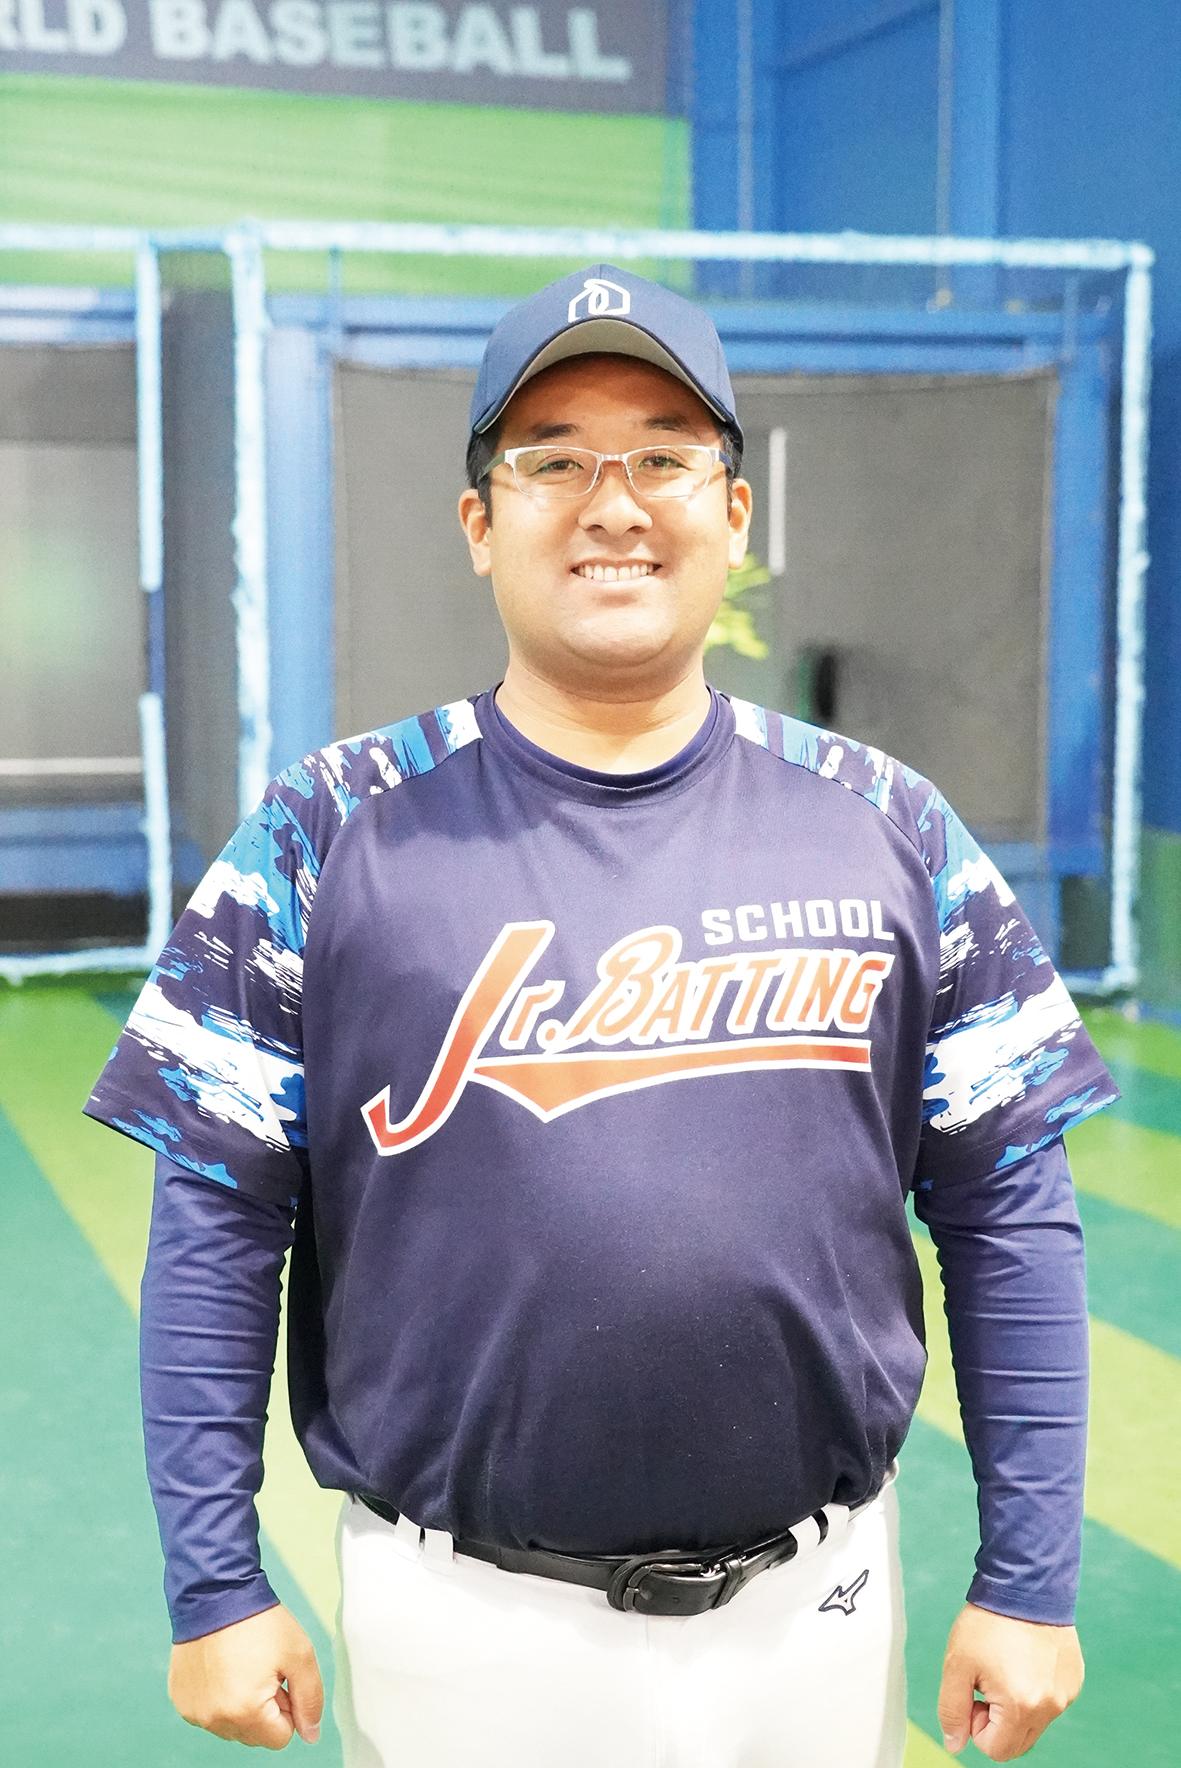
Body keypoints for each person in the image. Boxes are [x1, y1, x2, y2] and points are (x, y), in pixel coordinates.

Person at [86, 264, 1115, 1766]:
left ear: (735, 514)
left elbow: (1008, 1208)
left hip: (817, 1604)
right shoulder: (325, 832)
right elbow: (216, 1226)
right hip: (458, 1618)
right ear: (478, 522)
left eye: (663, 457)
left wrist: (1028, 1578)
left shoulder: (888, 825)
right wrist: (213, 1583)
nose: (612, 503)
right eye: (553, 460)